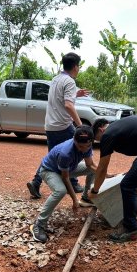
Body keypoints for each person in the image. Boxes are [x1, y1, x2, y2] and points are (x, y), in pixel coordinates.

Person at [27, 52, 89, 199]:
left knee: (52, 156)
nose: (78, 69)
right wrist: (80, 125)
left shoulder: (56, 79)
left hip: (50, 125)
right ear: (75, 67)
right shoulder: (69, 82)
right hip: (63, 125)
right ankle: (72, 181)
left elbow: (60, 98)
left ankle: (36, 182)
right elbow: (68, 105)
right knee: (79, 149)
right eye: (78, 66)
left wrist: (75, 94)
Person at [30, 125, 96, 243]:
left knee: (93, 170)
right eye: (80, 147)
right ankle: (38, 225)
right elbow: (65, 178)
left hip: (69, 168)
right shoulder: (66, 153)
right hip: (50, 170)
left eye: (87, 146)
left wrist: (104, 174)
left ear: (91, 142)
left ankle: (86, 198)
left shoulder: (87, 145)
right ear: (74, 140)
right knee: (60, 191)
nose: (84, 150)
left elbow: (90, 165)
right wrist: (74, 200)